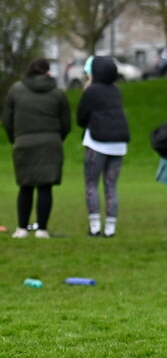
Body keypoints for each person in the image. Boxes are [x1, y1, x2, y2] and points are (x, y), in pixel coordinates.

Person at [3, 58, 71, 238]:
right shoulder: (57, 93)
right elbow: (66, 123)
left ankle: (22, 229)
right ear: (48, 72)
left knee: (25, 186)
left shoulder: (16, 90)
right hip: (50, 143)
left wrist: (15, 138)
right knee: (45, 187)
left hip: (23, 143)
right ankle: (41, 229)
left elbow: (7, 119)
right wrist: (56, 139)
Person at [76, 56, 130, 237]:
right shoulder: (116, 91)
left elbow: (81, 117)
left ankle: (94, 227)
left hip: (97, 142)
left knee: (92, 184)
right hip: (119, 144)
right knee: (111, 186)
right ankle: (110, 228)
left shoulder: (91, 91)